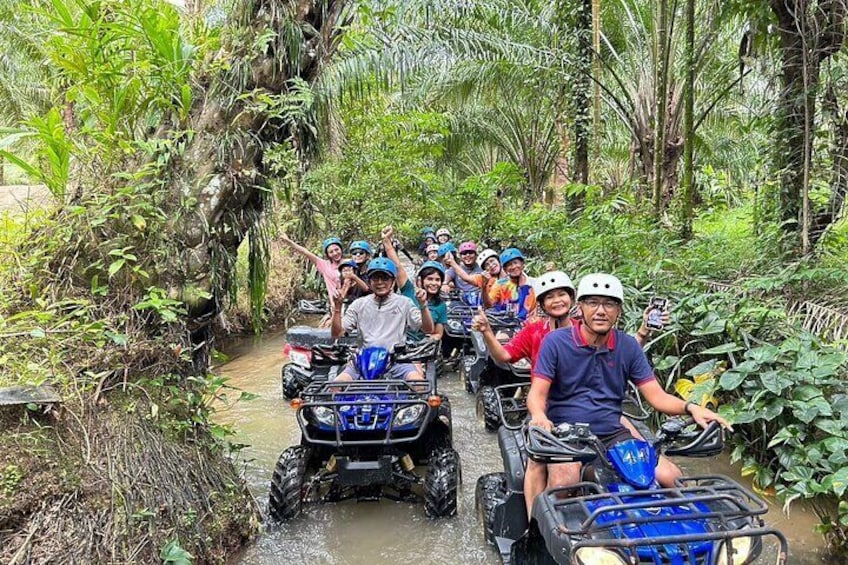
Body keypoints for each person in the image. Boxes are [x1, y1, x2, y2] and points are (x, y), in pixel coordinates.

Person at [525, 273, 731, 515]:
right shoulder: (555, 342)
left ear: (619, 311)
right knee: (564, 481)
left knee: (670, 476)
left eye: (609, 304)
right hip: (564, 429)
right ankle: (536, 529)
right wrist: (539, 415)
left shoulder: (628, 346)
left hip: (610, 430)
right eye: (593, 303)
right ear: (580, 308)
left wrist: (692, 408)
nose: (601, 311)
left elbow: (656, 396)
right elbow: (537, 393)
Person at [331, 257, 434, 381]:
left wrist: (423, 305)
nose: (380, 282)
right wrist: (337, 308)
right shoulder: (359, 304)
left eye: (385, 278)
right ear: (369, 281)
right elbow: (337, 333)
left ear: (393, 281)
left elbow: (428, 329)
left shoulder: (404, 303)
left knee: (419, 384)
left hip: (396, 361)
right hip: (362, 360)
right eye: (375, 278)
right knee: (335, 386)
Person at [380, 226, 447, 341]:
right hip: (399, 342)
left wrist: (429, 340)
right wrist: (387, 242)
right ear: (420, 281)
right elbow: (398, 267)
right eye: (430, 279)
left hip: (421, 349)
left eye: (437, 280)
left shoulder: (440, 306)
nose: (434, 283)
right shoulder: (409, 291)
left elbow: (438, 333)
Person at [280, 234, 344, 306]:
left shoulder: (350, 263)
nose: (335, 253)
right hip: (336, 306)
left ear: (341, 249)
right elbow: (305, 252)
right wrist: (289, 242)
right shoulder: (325, 265)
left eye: (336, 249)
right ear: (328, 254)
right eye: (331, 252)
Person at [488, 248, 536, 321]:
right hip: (506, 324)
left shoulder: (534, 283)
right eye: (509, 265)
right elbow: (489, 304)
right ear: (505, 269)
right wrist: (484, 287)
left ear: (522, 264)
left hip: (529, 323)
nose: (513, 267)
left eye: (516, 263)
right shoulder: (500, 284)